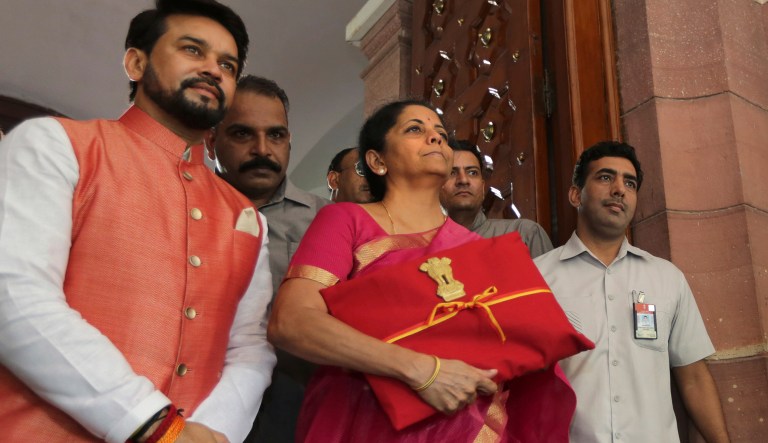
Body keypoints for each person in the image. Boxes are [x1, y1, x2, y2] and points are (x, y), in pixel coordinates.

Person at [0, 1, 275, 443]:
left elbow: (249, 347)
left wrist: (211, 433)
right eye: (193, 50)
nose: (213, 69)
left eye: (228, 65)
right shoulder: (58, 144)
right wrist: (152, 424)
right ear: (136, 63)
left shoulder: (247, 218)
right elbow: (13, 293)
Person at [268, 99, 579, 442]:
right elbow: (291, 321)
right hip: (365, 419)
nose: (436, 138)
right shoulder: (346, 221)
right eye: (415, 129)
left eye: (441, 134)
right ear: (377, 161)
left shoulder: (477, 249)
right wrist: (421, 370)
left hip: (470, 427)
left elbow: (520, 355)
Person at [534, 141, 730, 442]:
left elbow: (693, 377)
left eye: (630, 183)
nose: (619, 190)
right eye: (605, 177)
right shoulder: (538, 277)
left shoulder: (666, 278)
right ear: (575, 195)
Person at [208, 75, 329, 442]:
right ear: (211, 141)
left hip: (303, 411)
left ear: (289, 141)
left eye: (275, 135)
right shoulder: (183, 211)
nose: (262, 149)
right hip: (201, 408)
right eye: (242, 134)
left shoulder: (328, 221)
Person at [440, 139, 553, 257]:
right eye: (451, 173)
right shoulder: (428, 247)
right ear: (435, 186)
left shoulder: (524, 234)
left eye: (472, 173)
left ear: (483, 187)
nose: (463, 180)